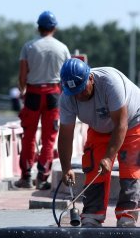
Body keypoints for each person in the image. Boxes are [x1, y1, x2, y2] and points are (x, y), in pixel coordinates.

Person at [58, 58, 140, 227]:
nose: (79, 96)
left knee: (129, 167)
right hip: (99, 127)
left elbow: (121, 124)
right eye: (74, 93)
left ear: (91, 78)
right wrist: (66, 168)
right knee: (94, 167)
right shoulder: (67, 98)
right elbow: (65, 134)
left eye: (82, 90)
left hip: (131, 122)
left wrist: (109, 157)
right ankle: (92, 214)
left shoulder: (110, 84)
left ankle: (127, 215)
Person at [14, 11, 71, 189]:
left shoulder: (29, 47)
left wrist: (24, 91)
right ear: (54, 28)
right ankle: (42, 177)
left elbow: (22, 76)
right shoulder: (62, 48)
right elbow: (67, 75)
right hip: (54, 95)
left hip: (33, 93)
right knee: (49, 138)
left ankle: (25, 176)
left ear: (39, 27)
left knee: (29, 136)